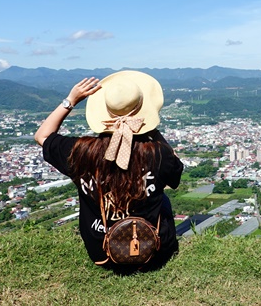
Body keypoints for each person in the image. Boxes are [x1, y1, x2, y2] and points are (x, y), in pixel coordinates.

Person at [34, 70, 183, 273]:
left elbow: (42, 135)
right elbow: (175, 170)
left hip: (101, 251)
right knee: (163, 199)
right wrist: (150, 128)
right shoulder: (157, 154)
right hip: (153, 252)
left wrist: (71, 100)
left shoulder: (81, 151)